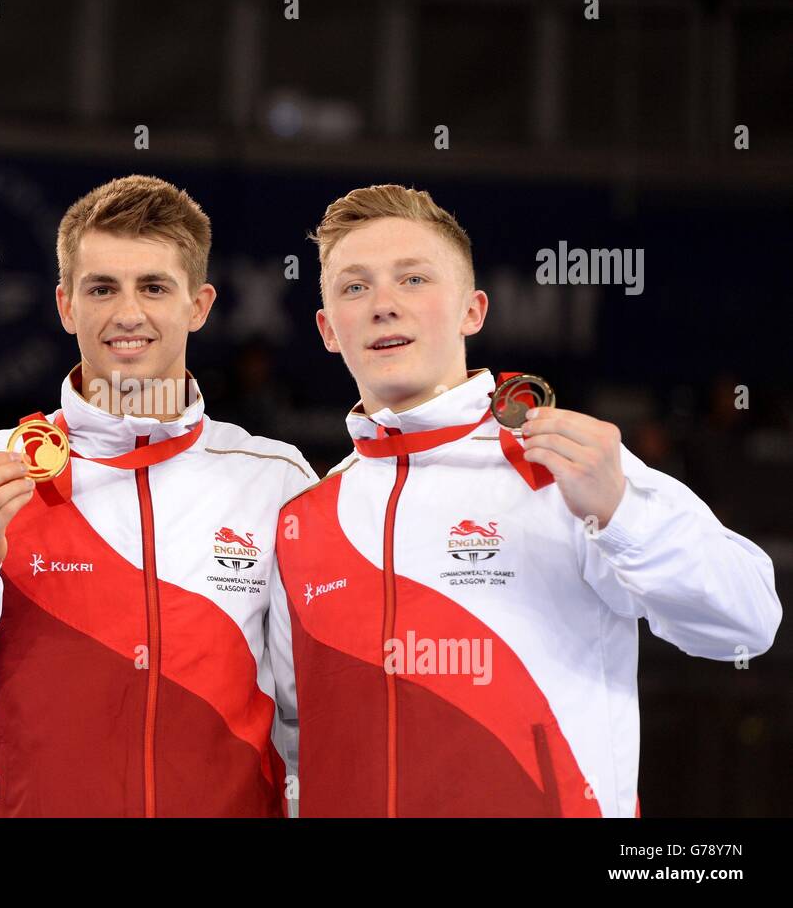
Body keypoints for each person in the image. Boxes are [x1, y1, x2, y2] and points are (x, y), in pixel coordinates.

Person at [270, 184, 782, 817]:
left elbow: (749, 622)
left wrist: (621, 511)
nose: (383, 306)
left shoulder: (565, 465)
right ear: (326, 329)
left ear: (472, 311)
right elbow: (296, 743)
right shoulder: (304, 521)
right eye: (354, 287)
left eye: (414, 280)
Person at [0, 175, 315, 816]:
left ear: (199, 305)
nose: (128, 313)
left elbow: (305, 717)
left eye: (154, 286)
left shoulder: (274, 478)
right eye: (102, 288)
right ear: (66, 305)